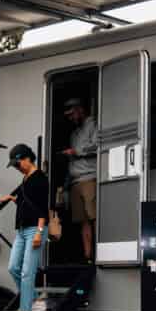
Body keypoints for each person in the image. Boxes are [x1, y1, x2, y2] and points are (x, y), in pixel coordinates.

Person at [1, 143, 49, 311]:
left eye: (17, 163)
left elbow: (42, 208)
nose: (16, 166)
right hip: (21, 230)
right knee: (13, 267)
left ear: (28, 158)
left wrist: (38, 232)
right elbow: (26, 202)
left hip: (34, 230)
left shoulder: (40, 179)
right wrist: (13, 199)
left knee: (28, 272)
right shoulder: (25, 178)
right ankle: (36, 299)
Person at [60, 97, 98, 262]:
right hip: (75, 181)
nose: (70, 118)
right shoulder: (74, 133)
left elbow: (98, 145)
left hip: (90, 178)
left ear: (80, 110)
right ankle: (87, 256)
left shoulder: (94, 124)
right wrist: (65, 185)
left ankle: (99, 254)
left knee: (94, 217)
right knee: (82, 221)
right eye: (67, 116)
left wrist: (76, 151)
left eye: (72, 114)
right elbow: (72, 159)